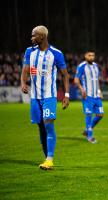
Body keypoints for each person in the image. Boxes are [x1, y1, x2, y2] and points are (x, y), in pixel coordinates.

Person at [21, 25, 70, 170]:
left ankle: (50, 159)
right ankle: (46, 158)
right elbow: (25, 70)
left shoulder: (56, 53)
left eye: (34, 35)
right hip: (35, 97)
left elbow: (65, 75)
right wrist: (23, 82)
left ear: (42, 37)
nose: (32, 38)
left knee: (48, 124)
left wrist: (66, 95)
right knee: (41, 127)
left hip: (49, 96)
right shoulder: (29, 51)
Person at [74, 50, 104, 144]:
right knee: (89, 114)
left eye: (93, 55)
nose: (91, 57)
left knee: (100, 115)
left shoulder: (95, 66)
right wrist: (82, 90)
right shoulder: (82, 66)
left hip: (96, 96)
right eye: (89, 55)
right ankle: (90, 136)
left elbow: (97, 80)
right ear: (85, 56)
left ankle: (87, 130)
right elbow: (76, 80)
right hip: (88, 96)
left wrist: (99, 91)